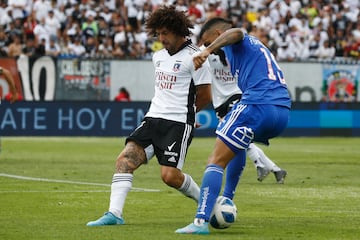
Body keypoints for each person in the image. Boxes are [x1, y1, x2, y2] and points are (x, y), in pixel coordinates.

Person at [87, 5, 212, 227]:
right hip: (152, 119)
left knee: (170, 177)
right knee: (124, 161)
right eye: (158, 33)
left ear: (178, 30)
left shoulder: (196, 57)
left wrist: (189, 115)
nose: (161, 38)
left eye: (165, 33)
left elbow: (205, 95)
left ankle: (206, 203)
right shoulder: (158, 57)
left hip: (177, 124)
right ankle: (114, 214)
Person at [175, 17, 291, 234]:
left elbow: (236, 32)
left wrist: (207, 51)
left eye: (209, 42)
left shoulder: (239, 39)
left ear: (219, 36)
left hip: (257, 104)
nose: (208, 47)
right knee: (235, 143)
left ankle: (200, 222)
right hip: (282, 112)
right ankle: (227, 198)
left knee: (215, 161)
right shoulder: (254, 47)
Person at [199, 42, 287, 185]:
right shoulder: (231, 54)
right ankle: (275, 169)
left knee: (232, 137)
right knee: (239, 138)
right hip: (229, 99)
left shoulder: (209, 55)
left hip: (230, 99)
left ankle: (260, 164)